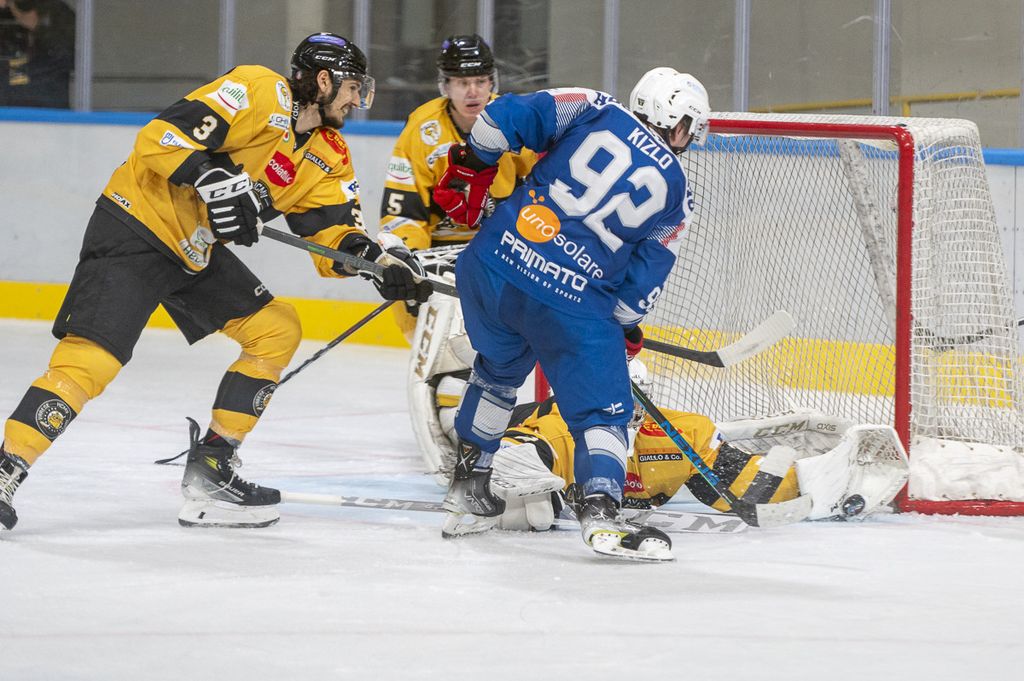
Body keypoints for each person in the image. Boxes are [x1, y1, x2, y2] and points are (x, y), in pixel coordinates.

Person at [0, 32, 430, 532]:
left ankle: (211, 466)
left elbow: (332, 234)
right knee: (93, 359)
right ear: (323, 81)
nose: (356, 99)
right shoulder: (259, 89)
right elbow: (160, 137)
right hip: (138, 225)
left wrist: (377, 263)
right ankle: (7, 467)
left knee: (276, 329)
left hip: (195, 251)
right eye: (353, 87)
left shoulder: (329, 154)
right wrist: (211, 177)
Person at [431, 67, 711, 561]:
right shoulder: (677, 193)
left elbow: (498, 119)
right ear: (679, 123)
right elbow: (636, 292)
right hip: (569, 302)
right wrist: (621, 329)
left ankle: (469, 488)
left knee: (496, 372)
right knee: (604, 408)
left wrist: (474, 164)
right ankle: (601, 512)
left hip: (491, 265)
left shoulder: (592, 106)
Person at [435, 362, 911, 539]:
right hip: (513, 451)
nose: (622, 416)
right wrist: (505, 477)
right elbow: (521, 453)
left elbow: (740, 489)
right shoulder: (562, 425)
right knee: (533, 509)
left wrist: (816, 484)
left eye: (632, 404)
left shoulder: (680, 434)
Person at [378, 34, 537, 339]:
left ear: (492, 82)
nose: (473, 91)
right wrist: (410, 262)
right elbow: (403, 210)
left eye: (480, 81)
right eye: (462, 83)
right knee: (426, 333)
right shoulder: (422, 129)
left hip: (500, 250)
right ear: (446, 85)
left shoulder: (515, 120)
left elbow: (543, 190)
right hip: (437, 255)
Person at [0, 0, 74, 108]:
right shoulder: (7, 20)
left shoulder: (57, 13)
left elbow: (71, 56)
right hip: (9, 108)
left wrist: (38, 28)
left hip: (46, 106)